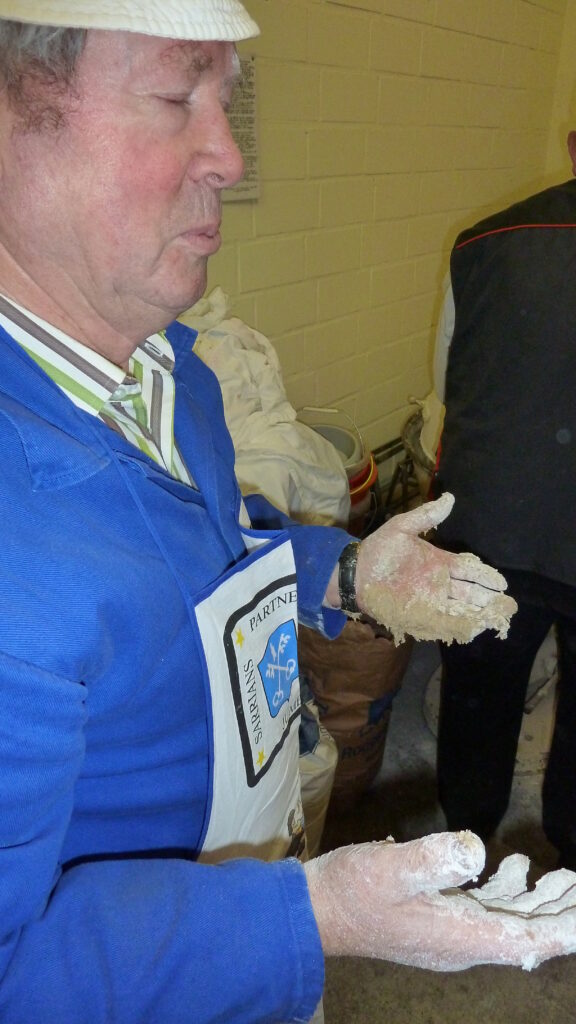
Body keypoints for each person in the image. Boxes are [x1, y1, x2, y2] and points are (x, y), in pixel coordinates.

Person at [0, 3, 575, 1022]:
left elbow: (205, 546)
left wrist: (340, 569)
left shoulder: (171, 369)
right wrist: (306, 919)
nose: (228, 155)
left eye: (226, 102)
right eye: (175, 96)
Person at [433, 137, 576, 871]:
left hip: (491, 525)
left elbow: (447, 383)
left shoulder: (482, 242)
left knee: (478, 698)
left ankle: (466, 843)